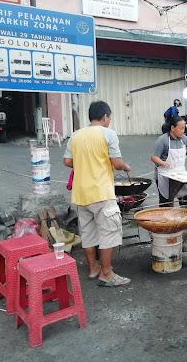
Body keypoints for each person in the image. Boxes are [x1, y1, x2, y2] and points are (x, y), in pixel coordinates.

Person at [63, 100, 132, 287]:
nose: (109, 121)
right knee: (109, 233)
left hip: (81, 194)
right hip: (101, 192)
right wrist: (125, 166)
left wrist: (84, 163)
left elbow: (67, 161)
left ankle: (93, 269)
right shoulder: (108, 134)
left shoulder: (75, 136)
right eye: (109, 117)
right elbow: (117, 163)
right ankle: (107, 274)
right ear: (105, 117)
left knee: (88, 234)